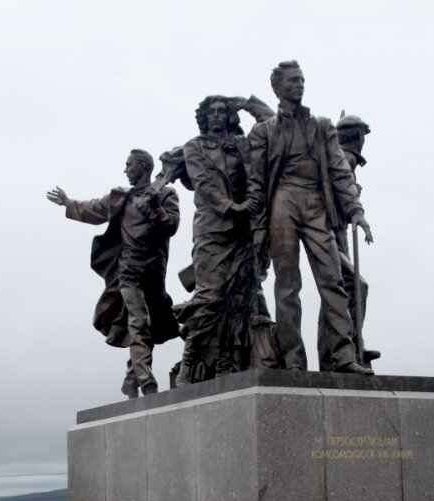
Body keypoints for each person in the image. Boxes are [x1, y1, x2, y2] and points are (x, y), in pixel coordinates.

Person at [246, 61, 373, 374]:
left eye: (302, 79)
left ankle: (343, 355)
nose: (299, 84)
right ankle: (293, 360)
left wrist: (356, 210)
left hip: (315, 203)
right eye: (292, 80)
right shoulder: (264, 131)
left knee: (333, 279)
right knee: (287, 286)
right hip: (282, 202)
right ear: (277, 88)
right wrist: (259, 226)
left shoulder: (322, 126)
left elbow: (340, 171)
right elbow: (257, 182)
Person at [46, 149, 180, 397]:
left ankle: (130, 380)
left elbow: (171, 225)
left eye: (129, 165)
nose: (126, 170)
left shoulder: (164, 193)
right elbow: (94, 209)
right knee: (138, 320)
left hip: (154, 272)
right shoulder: (121, 197)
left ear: (142, 167)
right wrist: (68, 203)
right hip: (128, 270)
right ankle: (145, 379)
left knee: (150, 325)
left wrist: (156, 209)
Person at [175, 94, 276, 385]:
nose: (218, 116)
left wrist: (247, 105)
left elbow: (271, 133)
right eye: (212, 112)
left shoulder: (241, 145)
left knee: (238, 302)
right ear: (204, 117)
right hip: (212, 229)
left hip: (242, 233)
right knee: (210, 298)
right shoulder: (194, 147)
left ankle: (225, 366)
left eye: (222, 111)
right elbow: (203, 184)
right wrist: (232, 207)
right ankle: (188, 363)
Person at [317, 113, 380, 371]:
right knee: (356, 286)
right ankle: (347, 346)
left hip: (338, 232)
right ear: (356, 136)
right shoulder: (344, 158)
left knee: (337, 293)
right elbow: (332, 192)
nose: (364, 140)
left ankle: (339, 351)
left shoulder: (345, 158)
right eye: (363, 135)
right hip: (328, 232)